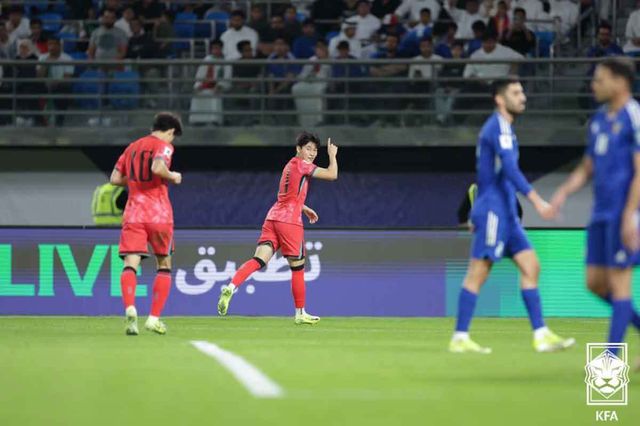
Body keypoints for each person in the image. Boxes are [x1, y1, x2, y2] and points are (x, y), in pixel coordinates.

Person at [449, 77, 575, 354]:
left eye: (522, 92)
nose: (523, 97)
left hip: (506, 212)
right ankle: (460, 336)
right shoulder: (498, 128)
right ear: (499, 99)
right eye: (516, 93)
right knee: (478, 272)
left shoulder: (506, 129)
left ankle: (540, 334)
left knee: (531, 267)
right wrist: (537, 201)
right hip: (493, 211)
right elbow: (509, 169)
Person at [549, 58, 640, 357]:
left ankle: (610, 361)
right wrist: (563, 191)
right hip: (600, 212)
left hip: (624, 213)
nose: (593, 85)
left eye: (599, 80)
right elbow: (588, 166)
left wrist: (630, 215)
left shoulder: (634, 116)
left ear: (620, 82)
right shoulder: (599, 119)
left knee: (620, 283)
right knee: (595, 284)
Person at [217, 133, 339, 324]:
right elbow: (332, 175)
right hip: (289, 221)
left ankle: (231, 287)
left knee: (258, 260)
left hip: (273, 217)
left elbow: (285, 195)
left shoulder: (289, 166)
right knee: (298, 268)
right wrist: (332, 156)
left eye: (315, 150)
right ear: (298, 149)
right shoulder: (303, 165)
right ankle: (300, 313)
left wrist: (304, 207)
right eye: (308, 149)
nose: (312, 153)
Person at [109, 112, 183, 336]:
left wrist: (133, 180)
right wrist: (172, 176)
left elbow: (114, 178)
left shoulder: (132, 147)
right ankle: (153, 318)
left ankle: (130, 309)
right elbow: (157, 168)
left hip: (133, 213)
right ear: (170, 131)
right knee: (164, 265)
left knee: (130, 264)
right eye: (173, 136)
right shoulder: (164, 146)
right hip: (159, 214)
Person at [189, 39, 231, 126]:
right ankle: (196, 120)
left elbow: (227, 77)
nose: (216, 50)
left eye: (217, 48)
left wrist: (220, 86)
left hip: (218, 86)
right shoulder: (207, 59)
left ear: (221, 49)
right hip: (205, 85)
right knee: (197, 93)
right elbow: (200, 75)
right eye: (214, 48)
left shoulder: (226, 61)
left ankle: (214, 120)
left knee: (214, 94)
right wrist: (198, 85)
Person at [292, 40, 331, 127]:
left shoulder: (330, 60)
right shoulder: (312, 59)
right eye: (318, 48)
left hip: (321, 83)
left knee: (317, 91)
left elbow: (329, 76)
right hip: (308, 81)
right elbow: (303, 73)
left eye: (321, 48)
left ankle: (318, 119)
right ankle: (302, 119)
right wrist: (306, 77)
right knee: (296, 88)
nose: (319, 50)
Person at [37, 37, 74, 126]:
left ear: (59, 46)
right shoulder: (42, 57)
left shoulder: (68, 58)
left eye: (54, 44)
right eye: (49, 44)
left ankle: (59, 120)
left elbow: (67, 78)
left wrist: (55, 82)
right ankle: (39, 120)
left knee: (64, 89)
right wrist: (46, 64)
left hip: (60, 85)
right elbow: (39, 77)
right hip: (45, 85)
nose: (51, 47)